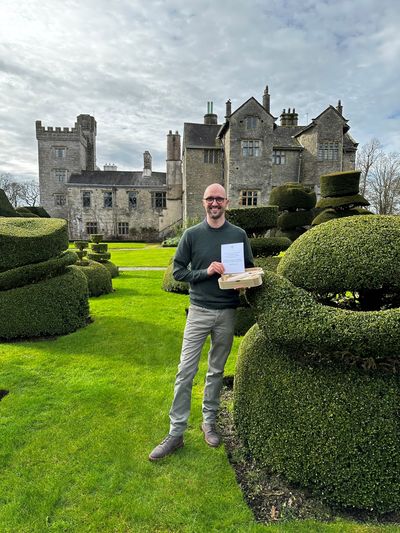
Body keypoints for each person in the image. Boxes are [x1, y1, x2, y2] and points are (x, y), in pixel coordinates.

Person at [149, 183, 254, 461]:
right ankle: (176, 433)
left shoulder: (239, 235)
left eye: (219, 199)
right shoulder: (192, 235)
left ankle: (209, 423)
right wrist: (206, 272)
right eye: (210, 199)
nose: (214, 203)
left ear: (227, 202)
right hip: (199, 311)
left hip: (227, 313)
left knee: (216, 371)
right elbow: (179, 273)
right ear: (203, 202)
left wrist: (242, 283)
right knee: (185, 371)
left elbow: (248, 269)